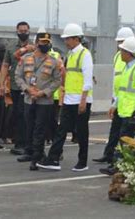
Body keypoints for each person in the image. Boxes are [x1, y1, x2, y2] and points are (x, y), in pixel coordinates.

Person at [37, 23, 93, 172]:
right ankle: (53, 159)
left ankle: (82, 162)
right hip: (69, 99)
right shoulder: (71, 54)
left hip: (81, 100)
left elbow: (87, 81)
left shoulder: (85, 54)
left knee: (81, 132)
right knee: (61, 130)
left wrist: (83, 101)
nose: (66, 42)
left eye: (68, 39)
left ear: (76, 39)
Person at [99, 36, 135, 176]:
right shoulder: (128, 68)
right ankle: (119, 165)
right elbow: (123, 91)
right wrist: (115, 105)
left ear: (129, 53)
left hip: (133, 111)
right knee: (122, 139)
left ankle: (118, 166)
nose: (120, 53)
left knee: (125, 140)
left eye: (122, 51)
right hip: (124, 110)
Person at [15, 31, 61, 170]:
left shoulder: (54, 61)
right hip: (29, 99)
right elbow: (18, 76)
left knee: (40, 129)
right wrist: (27, 89)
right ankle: (31, 152)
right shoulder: (26, 58)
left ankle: (37, 157)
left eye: (47, 43)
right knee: (29, 127)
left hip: (44, 101)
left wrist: (43, 92)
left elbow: (57, 80)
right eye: (42, 43)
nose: (45, 45)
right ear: (36, 43)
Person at [93, 27, 134, 164]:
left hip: (126, 101)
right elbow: (115, 79)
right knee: (114, 130)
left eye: (122, 42)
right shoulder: (118, 56)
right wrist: (113, 98)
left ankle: (118, 159)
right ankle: (108, 154)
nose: (119, 45)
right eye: (119, 42)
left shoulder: (133, 61)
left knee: (123, 132)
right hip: (118, 97)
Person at [0, 21, 35, 155]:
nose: (23, 33)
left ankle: (27, 143)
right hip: (15, 85)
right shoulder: (10, 46)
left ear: (29, 31)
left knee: (26, 115)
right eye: (21, 31)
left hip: (30, 87)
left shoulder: (34, 46)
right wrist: (3, 84)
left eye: (25, 31)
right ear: (17, 31)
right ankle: (19, 142)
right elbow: (5, 65)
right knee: (17, 114)